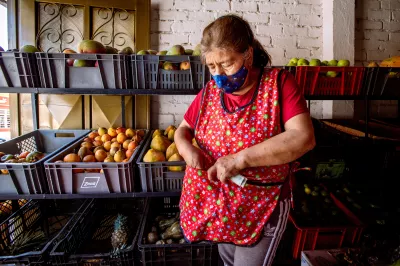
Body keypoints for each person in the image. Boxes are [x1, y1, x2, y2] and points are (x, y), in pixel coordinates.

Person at [175, 14, 315, 266]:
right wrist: (187, 151)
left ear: (248, 55)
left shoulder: (279, 84)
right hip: (221, 206)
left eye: (227, 64)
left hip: (262, 205)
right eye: (211, 67)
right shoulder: (209, 93)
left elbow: (303, 138)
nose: (219, 75)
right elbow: (181, 130)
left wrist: (239, 160)